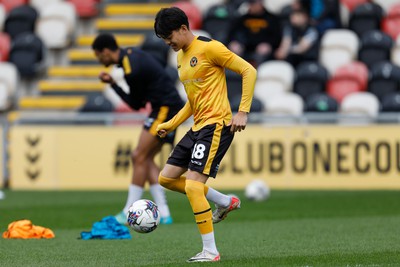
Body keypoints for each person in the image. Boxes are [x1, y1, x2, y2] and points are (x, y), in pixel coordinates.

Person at [154, 7, 257, 262]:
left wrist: (243, 111)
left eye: (169, 37)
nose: (168, 43)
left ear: (183, 29)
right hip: (197, 127)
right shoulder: (180, 57)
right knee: (165, 179)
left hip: (217, 126)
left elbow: (249, 71)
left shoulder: (210, 48)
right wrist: (172, 123)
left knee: (193, 186)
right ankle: (224, 201)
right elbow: (193, 100)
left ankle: (210, 251)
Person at [91, 33, 185, 225]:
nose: (99, 60)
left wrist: (114, 85)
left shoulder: (130, 69)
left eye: (98, 56)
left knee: (138, 155)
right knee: (146, 157)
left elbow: (135, 104)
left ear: (106, 51)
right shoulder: (132, 54)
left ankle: (128, 210)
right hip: (167, 106)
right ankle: (164, 212)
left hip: (165, 108)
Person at [227, 0, 282, 67]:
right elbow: (232, 35)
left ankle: (257, 74)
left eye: (253, 3)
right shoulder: (242, 19)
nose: (250, 6)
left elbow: (277, 37)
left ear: (260, 3)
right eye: (250, 3)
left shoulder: (272, 19)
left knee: (263, 50)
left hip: (262, 50)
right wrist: (235, 43)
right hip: (244, 48)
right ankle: (235, 75)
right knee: (234, 49)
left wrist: (269, 44)